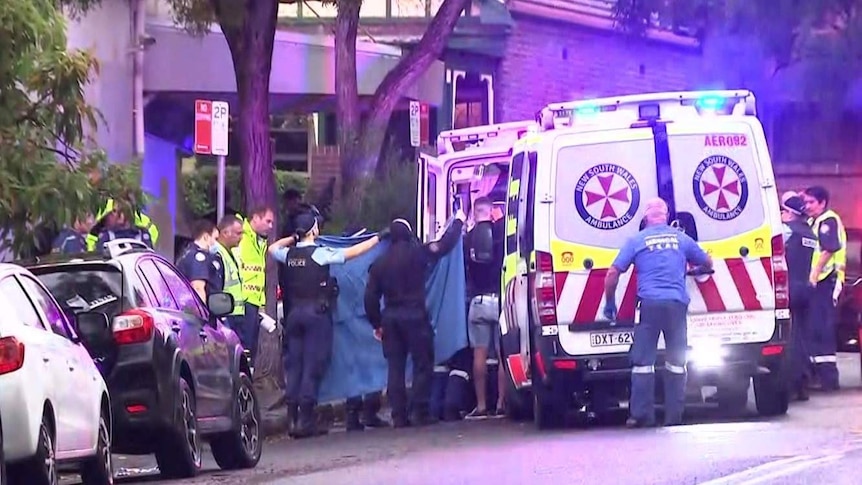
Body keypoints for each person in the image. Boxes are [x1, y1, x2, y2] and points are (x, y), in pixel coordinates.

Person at [268, 212, 384, 438]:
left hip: (294, 316)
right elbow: (352, 253)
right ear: (313, 230)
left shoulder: (289, 254)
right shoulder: (321, 254)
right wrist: (378, 238)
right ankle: (306, 422)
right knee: (312, 367)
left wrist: (293, 238)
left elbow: (272, 248)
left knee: (296, 367)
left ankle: (292, 420)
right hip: (315, 316)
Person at [603, 198, 711, 428]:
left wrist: (610, 303)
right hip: (676, 305)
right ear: (666, 215)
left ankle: (642, 416)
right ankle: (674, 417)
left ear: (645, 219)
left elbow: (613, 273)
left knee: (643, 361)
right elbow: (707, 262)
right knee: (676, 362)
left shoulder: (636, 240)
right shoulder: (681, 238)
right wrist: (692, 270)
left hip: (649, 306)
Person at [364, 213, 465, 428]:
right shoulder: (418, 253)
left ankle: (399, 415)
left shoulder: (379, 263)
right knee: (422, 364)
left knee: (395, 367)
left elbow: (370, 297)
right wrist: (457, 222)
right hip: (416, 316)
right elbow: (444, 246)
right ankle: (420, 411)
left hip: (391, 318)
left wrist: (377, 323)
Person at [463, 197, 506, 419]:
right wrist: (499, 220)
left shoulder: (468, 239)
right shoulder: (499, 234)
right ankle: (501, 403)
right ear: (491, 211)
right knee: (502, 355)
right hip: (499, 300)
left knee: (478, 355)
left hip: (478, 302)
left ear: (473, 213)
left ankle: (480, 406)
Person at [802, 185, 846, 392]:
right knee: (814, 327)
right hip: (818, 281)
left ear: (822, 203)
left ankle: (828, 379)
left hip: (826, 280)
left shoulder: (828, 220)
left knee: (823, 329)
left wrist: (813, 274)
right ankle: (816, 375)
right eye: (806, 202)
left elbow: (828, 249)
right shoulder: (814, 221)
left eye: (812, 202)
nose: (808, 206)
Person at [780, 193, 817, 401]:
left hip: (790, 289)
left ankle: (792, 384)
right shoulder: (810, 234)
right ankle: (803, 382)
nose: (782, 215)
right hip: (806, 288)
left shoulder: (787, 232)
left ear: (792, 214)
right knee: (801, 337)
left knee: (789, 339)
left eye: (784, 211)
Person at [233, 205, 275, 366]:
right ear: (255, 218)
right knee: (245, 349)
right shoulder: (242, 235)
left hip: (253, 302)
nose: (271, 226)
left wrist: (261, 305)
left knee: (251, 349)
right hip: (243, 301)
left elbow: (257, 275)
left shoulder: (258, 240)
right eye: (268, 221)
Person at [212, 214, 246, 327]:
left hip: (235, 313)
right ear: (225, 233)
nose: (241, 237)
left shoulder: (232, 252)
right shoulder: (216, 254)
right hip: (225, 314)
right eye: (238, 233)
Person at [88, 199, 159, 251]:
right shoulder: (106, 236)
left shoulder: (142, 235)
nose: (108, 217)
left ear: (122, 215)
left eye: (114, 212)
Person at [176, 220, 220, 302]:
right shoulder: (199, 257)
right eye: (215, 239)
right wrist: (202, 313)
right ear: (206, 237)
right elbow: (198, 287)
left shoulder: (187, 252)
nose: (217, 243)